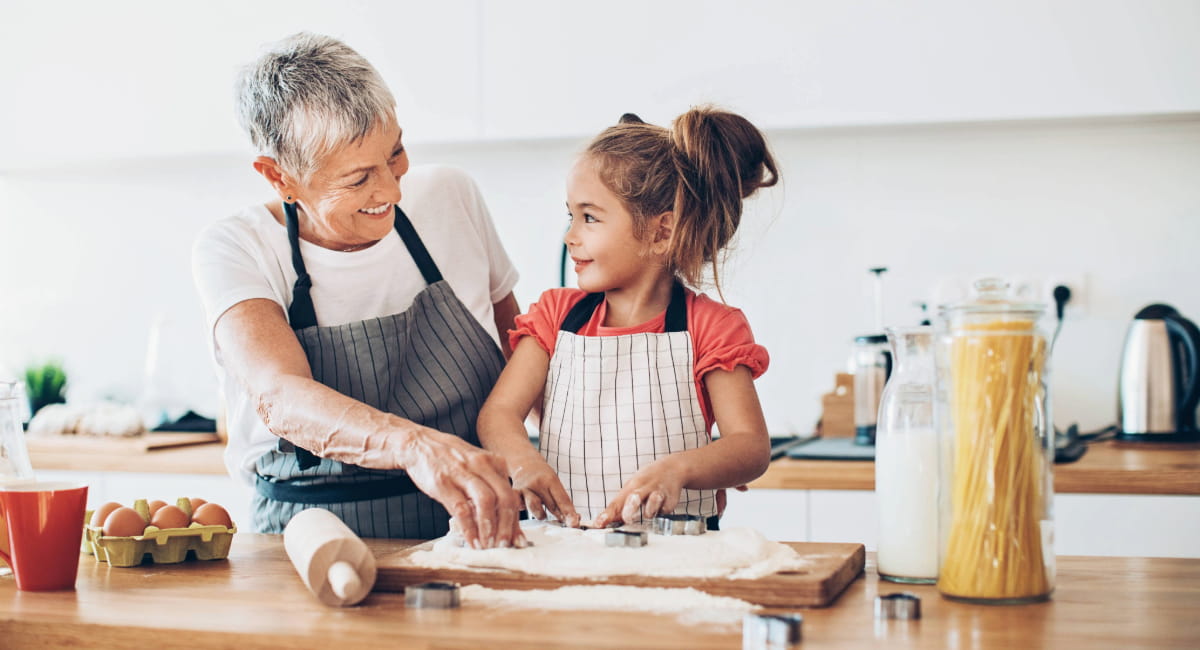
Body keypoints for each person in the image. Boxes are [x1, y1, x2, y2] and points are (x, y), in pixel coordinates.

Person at [192, 32, 523, 548]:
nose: (391, 191)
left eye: (395, 154)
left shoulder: (450, 195)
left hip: (477, 523)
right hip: (310, 539)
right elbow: (280, 394)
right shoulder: (235, 248)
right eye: (358, 177)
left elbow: (518, 348)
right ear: (279, 177)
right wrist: (415, 447)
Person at [477, 108, 778, 530]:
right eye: (571, 215)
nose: (570, 236)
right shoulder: (555, 317)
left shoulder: (710, 327)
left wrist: (679, 469)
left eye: (590, 217)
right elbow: (498, 414)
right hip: (568, 545)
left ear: (662, 232)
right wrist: (523, 462)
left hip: (679, 550)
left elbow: (750, 447)